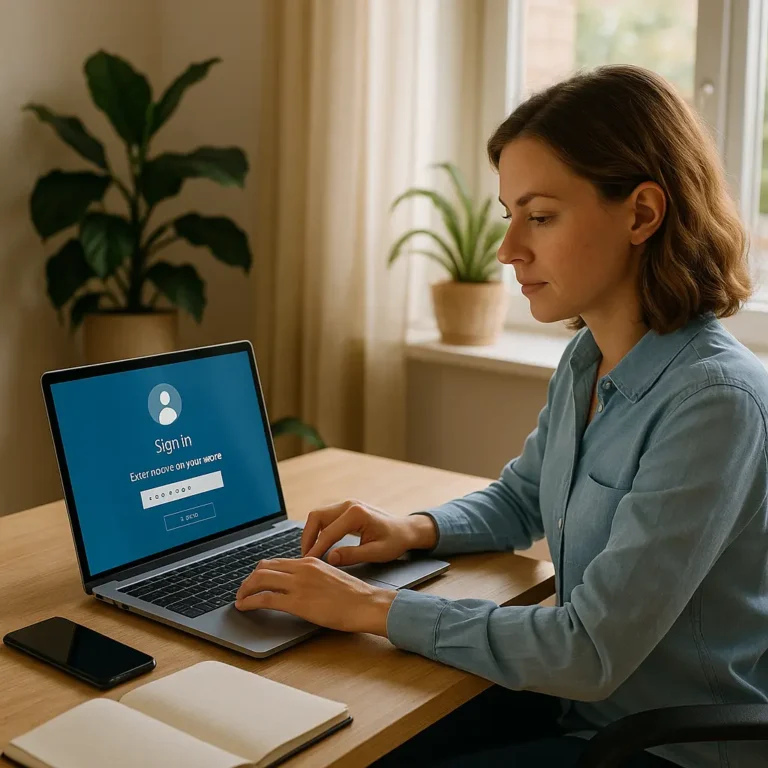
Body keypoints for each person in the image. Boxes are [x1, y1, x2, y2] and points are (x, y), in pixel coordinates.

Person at [234, 64, 768, 768]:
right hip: (582, 707)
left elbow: (589, 651)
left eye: (539, 216)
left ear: (641, 213)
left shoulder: (714, 404)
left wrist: (368, 608)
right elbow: (522, 497)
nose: (509, 249)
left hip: (662, 749)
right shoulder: (588, 359)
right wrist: (409, 528)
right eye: (508, 216)